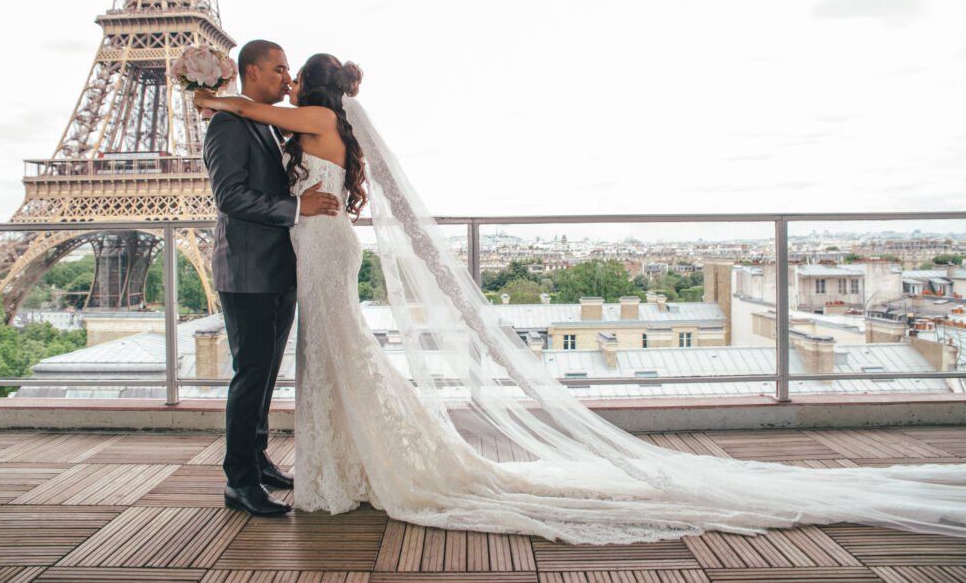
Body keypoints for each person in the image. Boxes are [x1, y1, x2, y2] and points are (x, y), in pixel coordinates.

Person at [196, 54, 966, 544]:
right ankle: (319, 461)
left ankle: (320, 464)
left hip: (319, 251)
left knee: (330, 356)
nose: (287, 80)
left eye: (295, 74)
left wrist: (213, 95)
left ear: (314, 88)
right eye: (280, 72)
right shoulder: (319, 121)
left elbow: (260, 116)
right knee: (329, 358)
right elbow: (257, 163)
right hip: (312, 252)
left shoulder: (310, 116)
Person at [202, 40, 341, 518]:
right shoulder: (228, 123)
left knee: (263, 377)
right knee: (251, 376)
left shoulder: (263, 124)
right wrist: (296, 207)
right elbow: (230, 197)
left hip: (278, 270)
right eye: (280, 69)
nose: (287, 78)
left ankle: (257, 461)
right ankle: (238, 482)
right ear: (253, 71)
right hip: (247, 273)